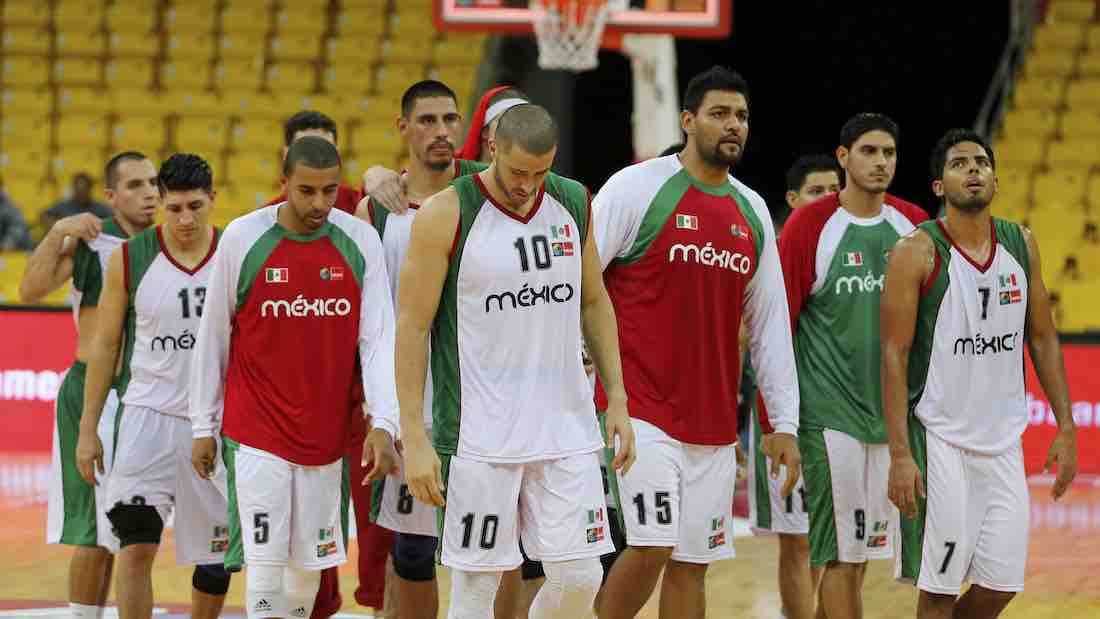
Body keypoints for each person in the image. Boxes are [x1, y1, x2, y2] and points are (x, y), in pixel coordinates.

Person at [397, 103, 636, 619]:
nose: (528, 184)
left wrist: (616, 396)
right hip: (478, 435)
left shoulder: (573, 202)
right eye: (517, 172)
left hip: (564, 427)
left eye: (540, 172)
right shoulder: (446, 212)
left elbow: (594, 300)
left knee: (580, 577)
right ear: (492, 149)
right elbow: (412, 328)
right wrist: (414, 435)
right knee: (477, 588)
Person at [594, 66, 802, 619]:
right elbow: (581, 284)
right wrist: (582, 375)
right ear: (688, 121)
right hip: (640, 411)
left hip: (711, 423)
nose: (732, 125)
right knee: (652, 544)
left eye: (741, 116)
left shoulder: (752, 210)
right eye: (719, 113)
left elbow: (769, 324)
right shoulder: (636, 188)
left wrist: (783, 424)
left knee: (692, 564)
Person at [188, 136, 400, 619]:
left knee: (309, 566)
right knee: (264, 564)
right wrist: (203, 425)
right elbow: (213, 336)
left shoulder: (360, 240)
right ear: (283, 184)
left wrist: (385, 423)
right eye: (306, 191)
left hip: (326, 435)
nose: (319, 203)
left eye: (329, 191)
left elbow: (378, 341)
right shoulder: (243, 237)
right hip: (256, 430)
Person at [882, 128, 1078, 619]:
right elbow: (892, 354)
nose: (973, 170)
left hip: (1003, 445)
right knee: (940, 591)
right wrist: (901, 454)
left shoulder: (1020, 243)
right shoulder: (916, 252)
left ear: (995, 179)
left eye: (982, 163)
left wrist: (1066, 425)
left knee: (1001, 587)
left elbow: (1043, 338)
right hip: (941, 443)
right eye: (959, 164)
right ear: (938, 186)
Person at [778, 113, 928, 619]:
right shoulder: (810, 224)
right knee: (840, 557)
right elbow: (778, 323)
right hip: (828, 416)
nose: (880, 161)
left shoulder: (912, 224)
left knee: (859, 556)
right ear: (843, 158)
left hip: (889, 421)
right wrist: (777, 419)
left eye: (888, 152)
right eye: (868, 151)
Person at [76, 154, 229, 619]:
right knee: (135, 542)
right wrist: (88, 429)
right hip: (147, 418)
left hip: (213, 423)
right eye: (175, 207)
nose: (185, 218)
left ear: (212, 200)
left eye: (196, 207)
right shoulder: (129, 257)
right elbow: (104, 346)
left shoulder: (233, 251)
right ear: (161, 202)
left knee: (217, 559)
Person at [355, 79, 480, 619]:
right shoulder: (375, 211)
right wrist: (380, 413)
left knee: (495, 549)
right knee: (412, 550)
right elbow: (373, 326)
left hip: (481, 398)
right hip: (412, 400)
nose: (440, 131)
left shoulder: (485, 192)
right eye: (426, 120)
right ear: (402, 127)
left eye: (449, 119)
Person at [21, 151, 160, 619]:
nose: (150, 194)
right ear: (111, 196)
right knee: (92, 533)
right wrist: (59, 230)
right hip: (95, 397)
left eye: (153, 184)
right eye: (136, 185)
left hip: (149, 396)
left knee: (133, 533)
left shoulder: (170, 244)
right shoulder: (93, 243)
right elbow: (30, 290)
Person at [264, 109, 385, 619]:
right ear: (286, 164)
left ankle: (382, 605)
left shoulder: (368, 208)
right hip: (301, 400)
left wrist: (384, 178)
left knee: (379, 526)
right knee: (307, 530)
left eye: (328, 150)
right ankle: (318, 608)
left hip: (360, 397)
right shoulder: (265, 225)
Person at [744, 153, 841, 619]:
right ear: (792, 199)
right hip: (788, 415)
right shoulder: (771, 255)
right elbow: (748, 336)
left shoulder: (854, 251)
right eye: (816, 192)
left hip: (843, 416)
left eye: (833, 191)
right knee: (800, 540)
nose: (827, 200)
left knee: (839, 543)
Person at [363, 85, 529, 216]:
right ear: (485, 131)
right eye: (509, 122)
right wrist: (372, 174)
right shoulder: (448, 170)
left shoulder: (539, 185)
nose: (520, 131)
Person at [41, 173, 112, 229]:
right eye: (78, 190)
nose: (81, 193)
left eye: (84, 190)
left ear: (89, 189)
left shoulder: (99, 208)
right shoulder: (63, 206)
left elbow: (111, 221)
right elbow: (45, 215)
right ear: (74, 189)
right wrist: (58, 227)